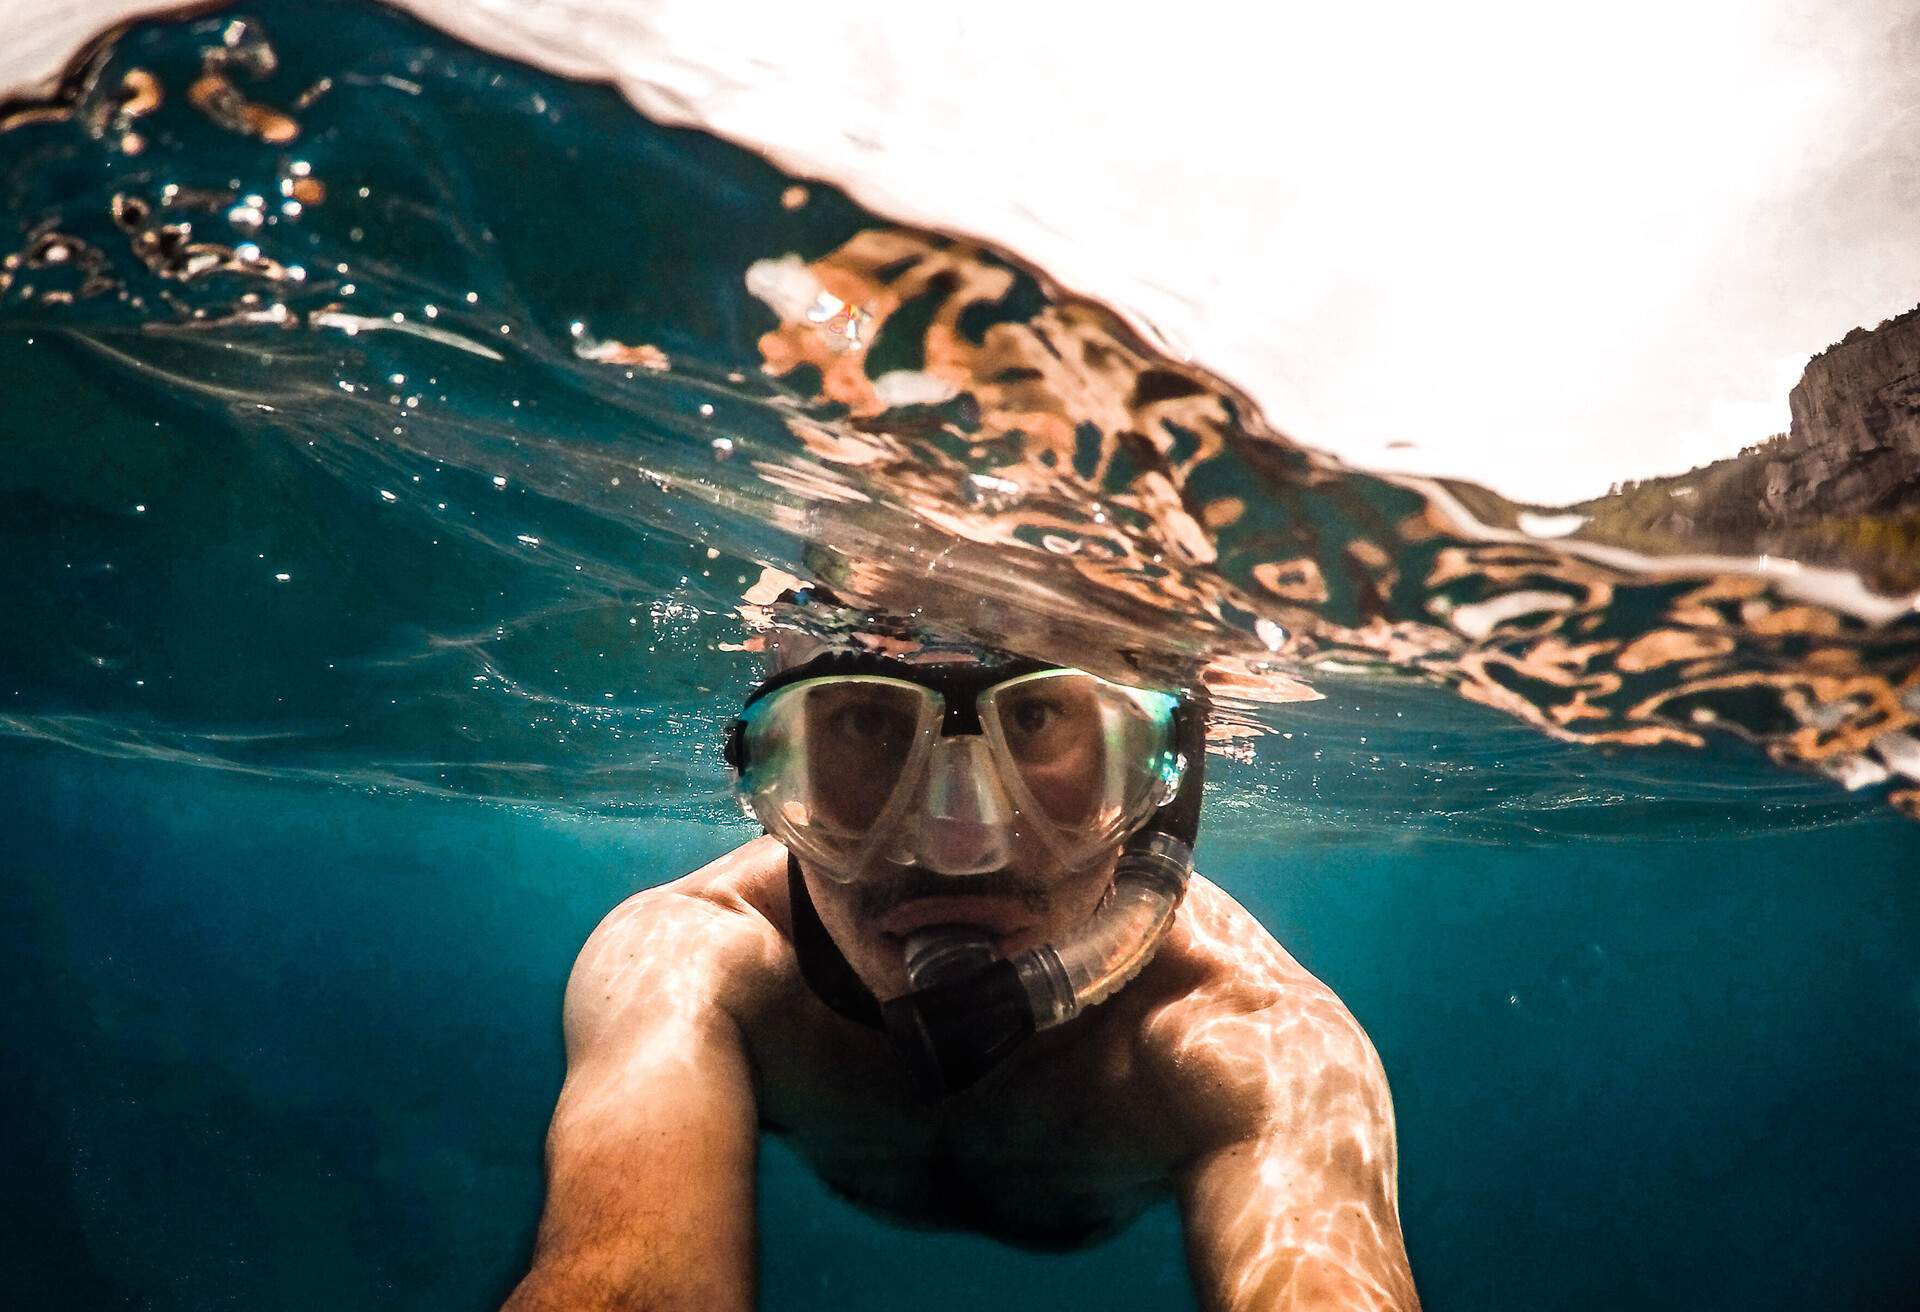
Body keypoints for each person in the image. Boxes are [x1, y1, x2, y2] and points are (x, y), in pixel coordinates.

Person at [502, 621, 1419, 1311]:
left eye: (1036, 718)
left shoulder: (1260, 1042)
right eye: (865, 723)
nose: (959, 842)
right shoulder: (694, 955)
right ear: (772, 776)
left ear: (1153, 784)